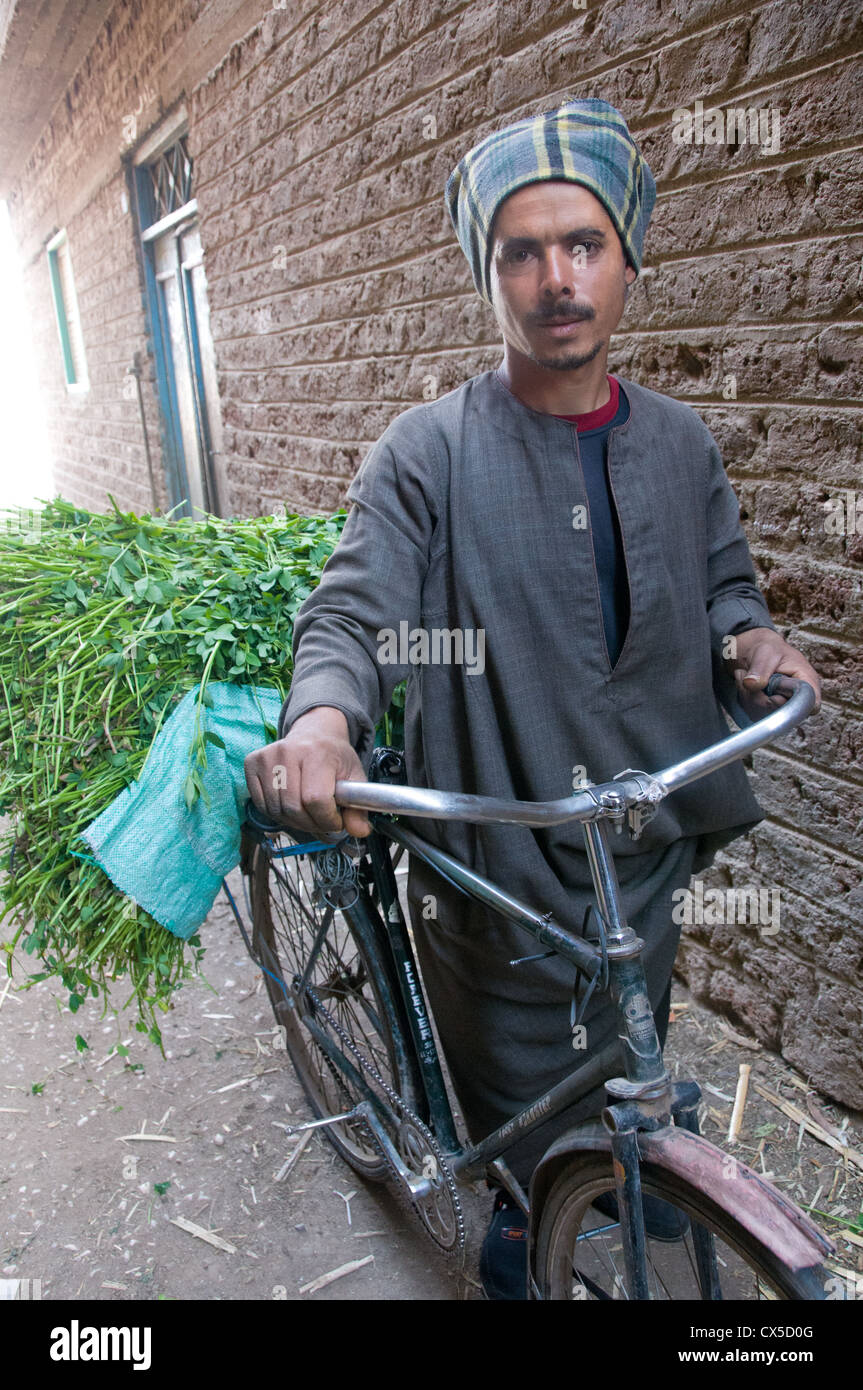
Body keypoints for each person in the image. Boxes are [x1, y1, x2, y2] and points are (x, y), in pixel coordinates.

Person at [244, 98, 821, 1299]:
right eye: (521, 250)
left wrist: (748, 637)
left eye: (582, 244)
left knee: (630, 1017)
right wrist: (321, 720)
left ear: (626, 259)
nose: (555, 278)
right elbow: (351, 611)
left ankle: (622, 1176)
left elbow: (722, 584)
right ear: (486, 271)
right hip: (495, 867)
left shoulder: (680, 447)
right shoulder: (426, 453)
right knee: (513, 1107)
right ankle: (517, 1230)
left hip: (640, 841)